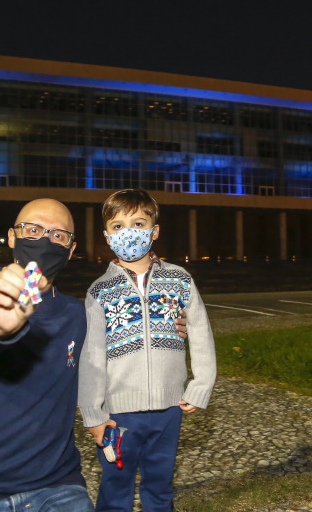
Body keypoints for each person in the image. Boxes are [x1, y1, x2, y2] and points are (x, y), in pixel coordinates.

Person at [0, 198, 188, 512]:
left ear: (70, 250)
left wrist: (166, 326)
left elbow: (118, 349)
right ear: (13, 237)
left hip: (58, 486)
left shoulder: (76, 315)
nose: (45, 241)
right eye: (33, 230)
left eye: (58, 235)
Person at [78, 188, 216, 512]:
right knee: (115, 486)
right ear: (107, 236)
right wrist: (93, 412)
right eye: (118, 226)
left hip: (169, 409)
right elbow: (91, 355)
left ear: (154, 231)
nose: (128, 232)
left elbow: (200, 331)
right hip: (118, 412)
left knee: (160, 483)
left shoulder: (179, 279)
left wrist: (201, 385)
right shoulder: (100, 291)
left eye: (138, 223)